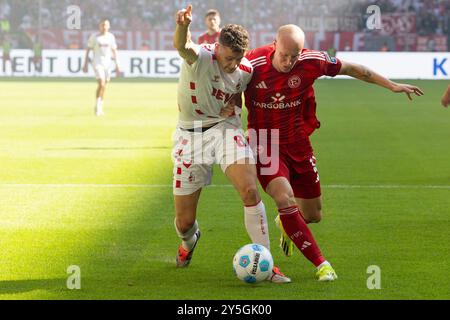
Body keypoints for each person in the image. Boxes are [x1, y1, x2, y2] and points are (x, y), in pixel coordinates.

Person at [240, 24, 424, 281]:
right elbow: (224, 82)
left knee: (313, 215)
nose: (289, 61)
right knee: (284, 198)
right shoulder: (251, 63)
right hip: (265, 142)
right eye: (284, 55)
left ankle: (287, 223)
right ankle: (322, 264)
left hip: (298, 141)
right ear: (274, 44)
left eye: (295, 55)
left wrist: (391, 85)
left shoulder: (312, 61)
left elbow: (354, 69)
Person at [172, 5, 290, 283]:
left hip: (225, 130)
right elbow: (182, 45)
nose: (231, 65)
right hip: (191, 135)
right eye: (227, 58)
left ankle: (268, 264)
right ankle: (189, 242)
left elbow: (239, 94)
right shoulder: (200, 56)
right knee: (185, 223)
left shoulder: (244, 69)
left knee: (250, 190)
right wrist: (183, 25)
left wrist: (234, 106)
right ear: (218, 48)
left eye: (237, 59)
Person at [83, 19, 121, 116]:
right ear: (99, 26)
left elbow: (114, 51)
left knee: (104, 86)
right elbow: (88, 49)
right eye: (102, 25)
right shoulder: (94, 37)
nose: (104, 27)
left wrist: (117, 65)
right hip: (97, 63)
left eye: (106, 25)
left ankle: (99, 105)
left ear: (109, 26)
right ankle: (98, 107)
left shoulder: (111, 37)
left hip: (107, 64)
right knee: (102, 83)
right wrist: (85, 64)